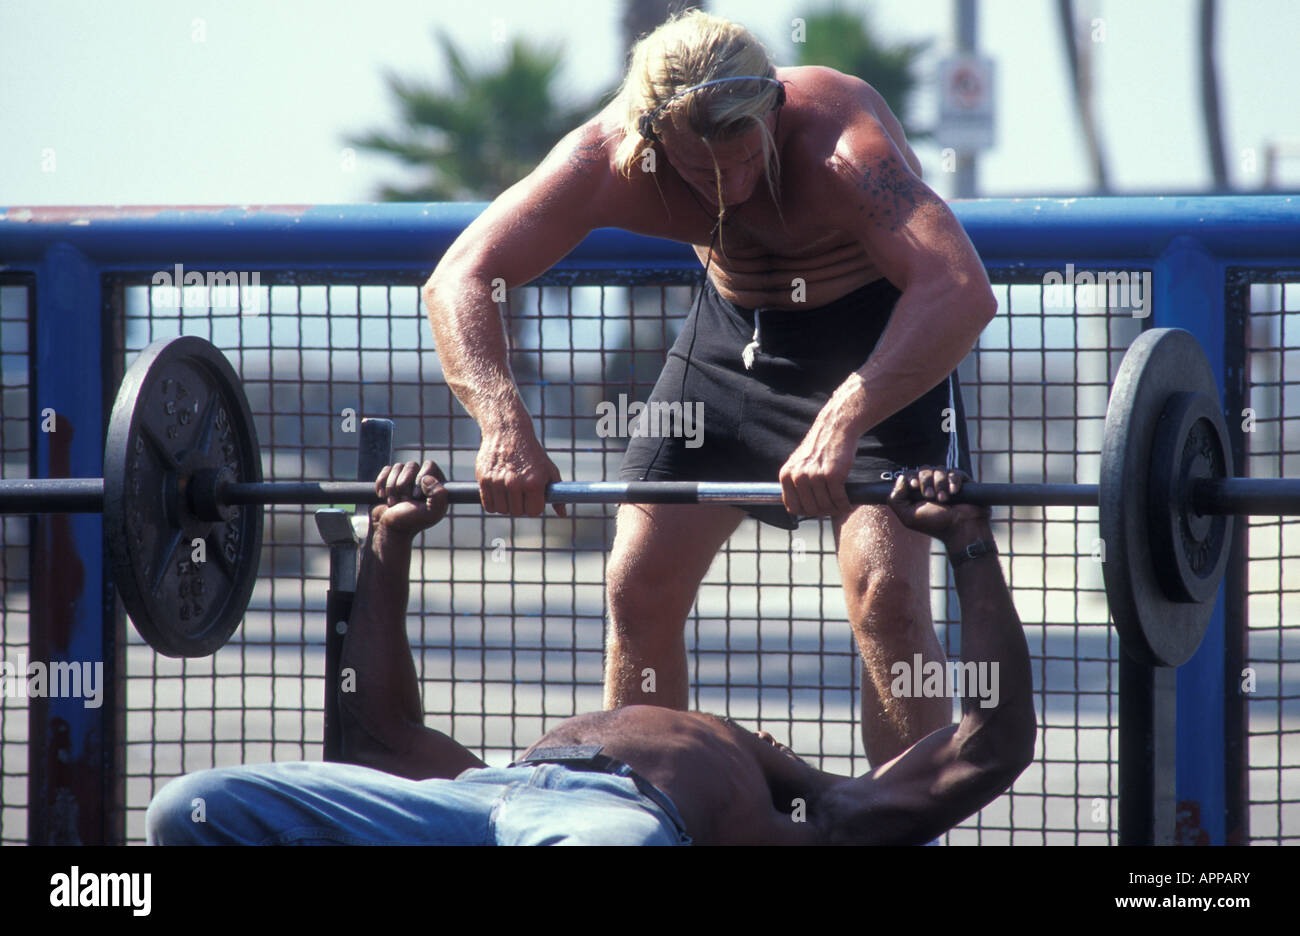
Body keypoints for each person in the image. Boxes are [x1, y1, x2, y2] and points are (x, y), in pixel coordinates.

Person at [422, 11, 997, 766]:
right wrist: (503, 425)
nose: (729, 186)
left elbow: (960, 290)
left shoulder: (840, 143)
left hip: (874, 343)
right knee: (637, 585)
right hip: (731, 343)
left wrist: (844, 417)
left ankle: (901, 823)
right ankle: (644, 813)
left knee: (886, 599)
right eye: (702, 172)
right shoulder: (610, 154)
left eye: (743, 156)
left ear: (771, 111)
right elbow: (459, 276)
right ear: (654, 141)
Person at [146, 462, 1034, 846]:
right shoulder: (515, 766)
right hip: (481, 805)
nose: (761, 735)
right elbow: (380, 735)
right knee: (190, 811)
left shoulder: (823, 818)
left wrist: (967, 543)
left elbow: (989, 743)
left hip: (608, 831)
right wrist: (390, 539)